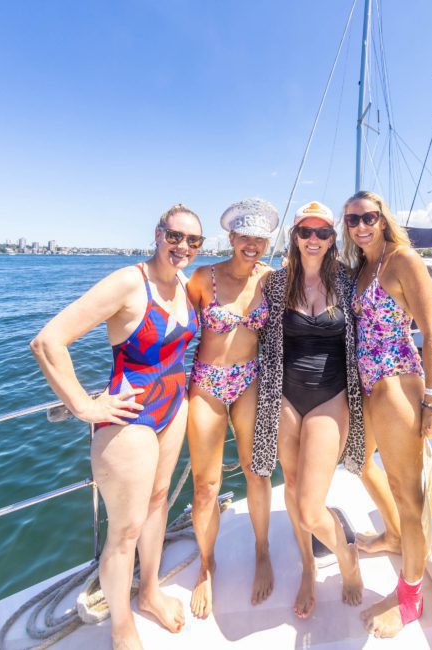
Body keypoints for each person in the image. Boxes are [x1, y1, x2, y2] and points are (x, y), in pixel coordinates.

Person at [30, 204, 203, 650]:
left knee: (160, 500)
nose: (182, 246)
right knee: (124, 530)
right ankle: (121, 626)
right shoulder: (130, 281)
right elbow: (48, 340)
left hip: (174, 405)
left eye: (193, 240)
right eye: (175, 236)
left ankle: (148, 593)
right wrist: (85, 406)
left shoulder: (185, 284)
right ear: (158, 233)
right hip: (130, 415)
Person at [342, 190, 432, 638]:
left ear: (383, 219)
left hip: (398, 386)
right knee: (361, 464)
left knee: (410, 496)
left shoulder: (402, 259)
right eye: (352, 220)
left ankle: (410, 600)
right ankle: (391, 535)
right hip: (367, 388)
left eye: (369, 217)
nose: (361, 225)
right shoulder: (364, 268)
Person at [251, 201, 365, 619]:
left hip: (330, 395)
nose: (313, 240)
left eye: (322, 233)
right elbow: (247, 322)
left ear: (334, 239)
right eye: (306, 232)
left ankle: (347, 558)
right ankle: (308, 566)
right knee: (294, 488)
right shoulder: (275, 284)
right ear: (294, 236)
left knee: (310, 507)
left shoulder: (349, 282)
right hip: (285, 397)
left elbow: (383, 321)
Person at [185, 198, 278, 619]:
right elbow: (173, 325)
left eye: (260, 238)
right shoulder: (204, 277)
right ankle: (206, 565)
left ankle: (262, 551)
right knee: (205, 486)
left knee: (256, 472)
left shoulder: (272, 280)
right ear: (232, 237)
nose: (253, 244)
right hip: (206, 383)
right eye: (246, 237)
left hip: (250, 380)